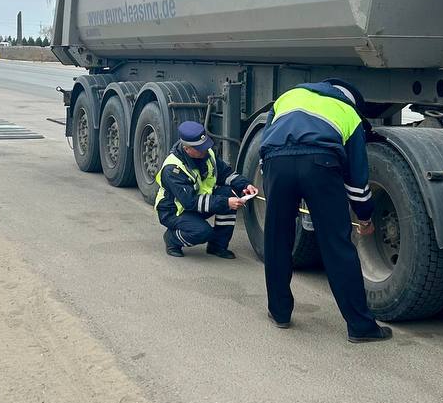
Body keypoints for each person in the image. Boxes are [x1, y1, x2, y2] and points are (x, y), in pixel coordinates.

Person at [259, 80, 391, 342]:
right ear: (352, 99)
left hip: (277, 163)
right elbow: (356, 178)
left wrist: (272, 177)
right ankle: (361, 327)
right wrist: (365, 216)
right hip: (321, 163)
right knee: (337, 246)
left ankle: (280, 313)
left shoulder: (288, 96)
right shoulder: (348, 113)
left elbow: (266, 140)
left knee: (277, 240)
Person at [155, 121, 257, 259]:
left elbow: (226, 174)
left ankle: (217, 246)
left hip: (198, 201)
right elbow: (190, 202)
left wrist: (245, 185)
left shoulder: (206, 153)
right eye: (200, 148)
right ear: (187, 149)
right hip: (175, 211)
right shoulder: (173, 169)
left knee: (229, 193)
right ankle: (172, 238)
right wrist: (226, 203)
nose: (205, 149)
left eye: (205, 145)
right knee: (203, 232)